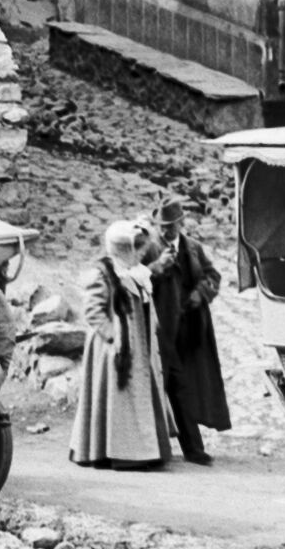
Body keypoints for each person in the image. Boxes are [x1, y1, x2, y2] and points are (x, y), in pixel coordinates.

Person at [69, 218, 178, 469]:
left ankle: (144, 449)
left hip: (139, 344)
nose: (142, 254)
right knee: (120, 399)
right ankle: (119, 451)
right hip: (116, 348)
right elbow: (94, 312)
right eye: (138, 250)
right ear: (123, 249)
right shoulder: (104, 274)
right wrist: (113, 338)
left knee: (139, 396)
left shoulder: (136, 272)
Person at [150, 196, 229, 464]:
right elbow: (137, 277)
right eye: (161, 225)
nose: (165, 230)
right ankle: (183, 448)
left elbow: (213, 276)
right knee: (171, 385)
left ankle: (187, 447)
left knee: (188, 384)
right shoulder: (150, 248)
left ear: (181, 222)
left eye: (170, 225)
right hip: (161, 329)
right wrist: (157, 268)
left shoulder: (193, 247)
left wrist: (200, 294)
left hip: (192, 328)